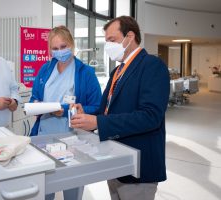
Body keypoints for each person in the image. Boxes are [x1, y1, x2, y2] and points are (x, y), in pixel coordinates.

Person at [70, 16, 170, 200]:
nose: (107, 46)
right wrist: (88, 117)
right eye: (106, 41)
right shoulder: (117, 72)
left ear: (129, 36)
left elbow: (150, 117)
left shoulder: (152, 66)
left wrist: (98, 121)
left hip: (139, 168)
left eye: (112, 40)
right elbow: (106, 111)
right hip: (115, 162)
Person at [30, 26, 102, 200]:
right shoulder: (45, 70)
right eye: (55, 49)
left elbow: (97, 107)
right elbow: (34, 97)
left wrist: (66, 111)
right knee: (45, 188)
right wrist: (35, 104)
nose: (60, 52)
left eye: (63, 47)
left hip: (73, 139)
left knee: (72, 188)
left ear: (71, 45)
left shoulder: (86, 73)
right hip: (44, 137)